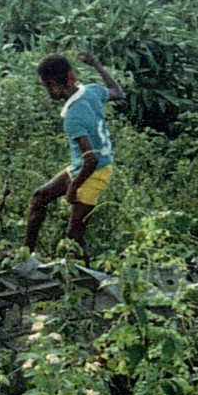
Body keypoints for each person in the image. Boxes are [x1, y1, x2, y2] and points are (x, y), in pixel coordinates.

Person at [23, 50, 124, 260]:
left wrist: (73, 187)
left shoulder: (73, 116)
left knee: (74, 236)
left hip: (95, 172)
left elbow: (91, 159)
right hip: (84, 166)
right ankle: (26, 256)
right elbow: (117, 91)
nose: (47, 91)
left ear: (53, 84)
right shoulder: (91, 91)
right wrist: (96, 63)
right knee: (39, 197)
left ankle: (90, 285)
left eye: (45, 86)